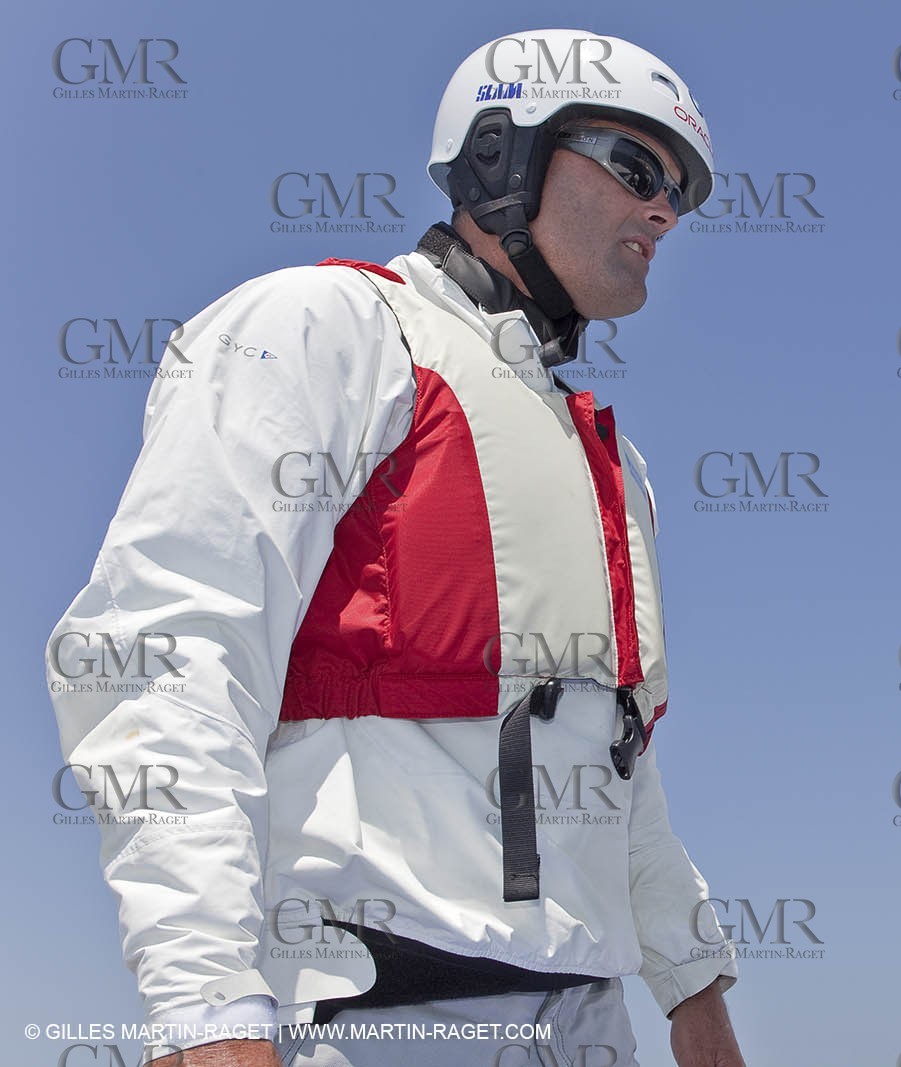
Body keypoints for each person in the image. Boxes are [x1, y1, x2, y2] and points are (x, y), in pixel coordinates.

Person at [46, 30, 743, 1067]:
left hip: (590, 1028)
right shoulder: (323, 328)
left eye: (679, 192)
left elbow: (615, 769)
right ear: (501, 154)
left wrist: (695, 994)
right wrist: (202, 1003)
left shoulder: (612, 466)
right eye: (639, 168)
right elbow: (170, 651)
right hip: (373, 1012)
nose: (664, 211)